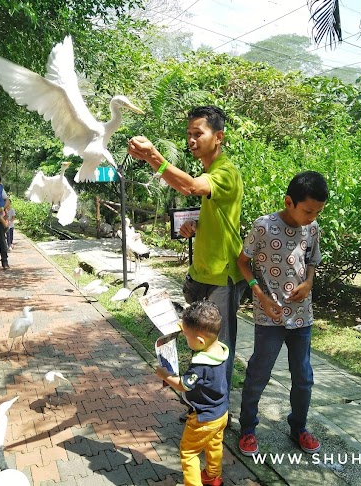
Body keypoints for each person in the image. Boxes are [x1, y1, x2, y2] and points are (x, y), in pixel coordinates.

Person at [129, 105, 245, 398]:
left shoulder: (226, 172)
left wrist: (153, 157)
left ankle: (217, 410)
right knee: (197, 341)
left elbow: (192, 188)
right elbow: (214, 212)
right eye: (189, 134)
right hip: (200, 273)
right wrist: (195, 225)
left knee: (219, 348)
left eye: (198, 134)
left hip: (223, 277)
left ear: (218, 137)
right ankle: (199, 404)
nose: (191, 140)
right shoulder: (210, 171)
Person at [236, 171, 328, 457]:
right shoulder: (263, 226)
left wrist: (309, 282)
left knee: (303, 377)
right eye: (308, 210)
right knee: (259, 373)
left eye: (318, 212)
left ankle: (298, 427)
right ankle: (248, 428)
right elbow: (242, 262)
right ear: (289, 201)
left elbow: (312, 260)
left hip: (302, 317)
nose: (313, 217)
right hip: (270, 317)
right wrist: (259, 295)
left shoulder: (312, 229)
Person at [156, 301, 229, 486]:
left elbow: (183, 385)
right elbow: (200, 337)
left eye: (187, 336)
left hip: (203, 418)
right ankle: (213, 477)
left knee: (188, 452)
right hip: (221, 413)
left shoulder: (201, 365)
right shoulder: (219, 349)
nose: (185, 339)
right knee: (214, 445)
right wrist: (186, 327)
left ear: (200, 341)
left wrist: (166, 375)